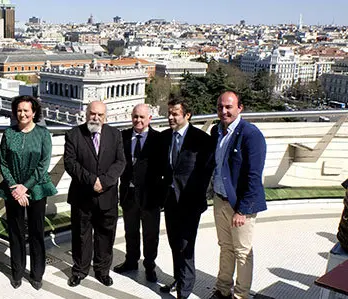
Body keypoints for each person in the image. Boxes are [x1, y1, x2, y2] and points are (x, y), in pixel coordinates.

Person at [0, 95, 57, 290]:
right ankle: (17, 271)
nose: (22, 114)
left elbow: (43, 165)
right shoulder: (8, 133)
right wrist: (15, 187)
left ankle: (37, 273)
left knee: (36, 231)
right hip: (13, 190)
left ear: (34, 112)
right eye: (19, 110)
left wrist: (26, 187)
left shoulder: (43, 134)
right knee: (15, 231)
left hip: (37, 189)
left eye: (26, 110)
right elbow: (3, 162)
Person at [209, 91, 267, 299]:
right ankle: (223, 289)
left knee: (242, 252)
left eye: (228, 107)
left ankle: (241, 295)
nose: (223, 111)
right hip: (220, 199)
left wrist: (242, 210)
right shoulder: (217, 130)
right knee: (225, 247)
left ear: (240, 108)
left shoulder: (251, 134)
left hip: (240, 205)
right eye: (220, 107)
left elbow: (254, 175)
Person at [64, 101, 126, 287]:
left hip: (107, 196)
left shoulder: (115, 135)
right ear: (86, 113)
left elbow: (120, 162)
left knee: (106, 235)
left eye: (100, 115)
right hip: (82, 196)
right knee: (81, 235)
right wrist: (92, 181)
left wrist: (104, 181)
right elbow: (71, 163)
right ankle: (80, 270)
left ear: (105, 116)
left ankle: (102, 271)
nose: (96, 118)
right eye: (92, 114)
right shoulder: (74, 134)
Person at [158, 96, 214, 299]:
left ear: (187, 115)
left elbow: (207, 172)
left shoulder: (201, 140)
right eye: (169, 113)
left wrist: (199, 198)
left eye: (175, 113)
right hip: (170, 200)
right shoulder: (165, 137)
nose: (170, 117)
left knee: (186, 244)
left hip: (190, 202)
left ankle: (186, 288)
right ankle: (179, 278)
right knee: (174, 242)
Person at [114, 104, 162, 283]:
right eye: (135, 116)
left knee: (151, 234)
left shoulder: (159, 139)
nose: (138, 120)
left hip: (150, 196)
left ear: (150, 118)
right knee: (130, 230)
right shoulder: (123, 136)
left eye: (142, 117)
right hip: (128, 193)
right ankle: (131, 261)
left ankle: (150, 266)